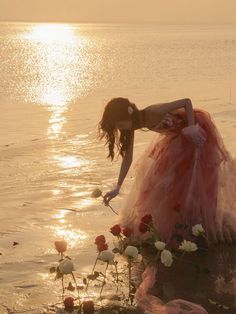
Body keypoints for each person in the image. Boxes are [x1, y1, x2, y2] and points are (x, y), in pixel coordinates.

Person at [99, 97, 236, 244]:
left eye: (120, 123)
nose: (120, 128)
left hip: (196, 133)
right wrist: (117, 187)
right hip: (177, 141)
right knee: (169, 187)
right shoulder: (133, 126)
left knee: (195, 184)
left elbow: (186, 102)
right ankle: (186, 226)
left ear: (128, 114)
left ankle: (200, 225)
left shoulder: (153, 111)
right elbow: (128, 159)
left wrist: (191, 128)